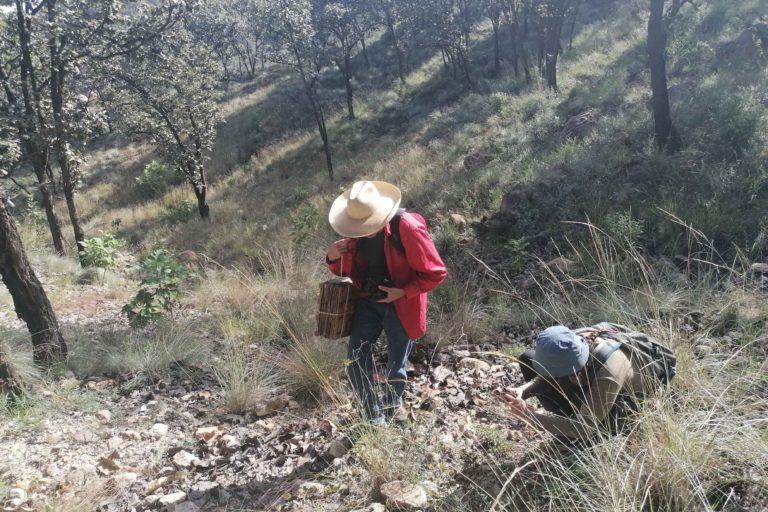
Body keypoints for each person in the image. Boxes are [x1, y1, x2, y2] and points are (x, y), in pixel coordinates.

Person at [326, 180, 446, 425]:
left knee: (396, 364)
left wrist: (402, 292)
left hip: (402, 304)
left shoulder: (407, 227)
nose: (361, 231)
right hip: (368, 301)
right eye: (358, 226)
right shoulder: (355, 233)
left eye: (367, 225)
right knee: (354, 360)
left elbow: (436, 273)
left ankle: (392, 408)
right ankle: (373, 417)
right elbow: (344, 270)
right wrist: (332, 257)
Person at [500, 323, 673, 441]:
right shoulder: (571, 343)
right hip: (588, 378)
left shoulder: (609, 371)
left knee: (589, 433)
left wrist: (529, 416)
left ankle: (577, 440)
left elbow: (585, 428)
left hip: (625, 402)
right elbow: (550, 374)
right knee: (527, 358)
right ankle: (566, 426)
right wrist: (522, 391)